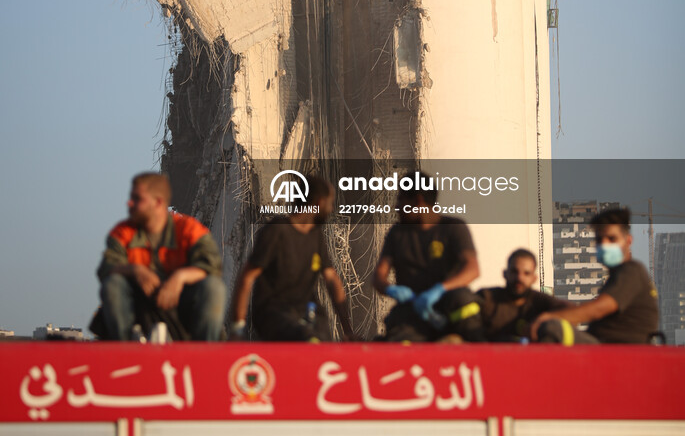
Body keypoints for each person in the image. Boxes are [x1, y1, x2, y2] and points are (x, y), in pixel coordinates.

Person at [97, 172, 227, 341]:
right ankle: (125, 349)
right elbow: (106, 267)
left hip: (182, 308)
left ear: (158, 202)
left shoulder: (189, 229)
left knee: (213, 287)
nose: (130, 203)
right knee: (113, 284)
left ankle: (206, 352)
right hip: (140, 306)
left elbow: (213, 267)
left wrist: (180, 277)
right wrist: (136, 270)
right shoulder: (123, 232)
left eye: (137, 199)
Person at [230, 176, 354, 341]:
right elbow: (247, 277)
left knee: (323, 339)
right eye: (330, 203)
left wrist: (348, 331)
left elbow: (331, 279)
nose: (331, 209)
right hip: (273, 312)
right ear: (318, 203)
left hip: (305, 311)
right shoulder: (277, 230)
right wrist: (237, 329)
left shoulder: (316, 236)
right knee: (306, 337)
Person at [373, 175, 482, 341]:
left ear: (418, 201)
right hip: (413, 309)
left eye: (401, 200)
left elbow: (472, 269)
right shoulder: (397, 233)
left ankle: (472, 348)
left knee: (465, 301)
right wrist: (391, 289)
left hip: (448, 305)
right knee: (398, 332)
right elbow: (379, 276)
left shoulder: (453, 228)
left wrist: (440, 289)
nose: (397, 207)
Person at [531, 206, 660, 344]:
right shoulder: (617, 276)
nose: (604, 244)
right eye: (599, 239)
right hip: (601, 344)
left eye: (612, 239)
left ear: (628, 241)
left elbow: (598, 309)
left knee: (553, 328)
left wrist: (549, 318)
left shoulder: (631, 271)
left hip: (616, 349)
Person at [478, 248, 566, 341]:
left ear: (534, 278)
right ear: (505, 274)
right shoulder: (487, 297)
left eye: (526, 273)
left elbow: (574, 312)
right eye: (514, 272)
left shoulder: (540, 301)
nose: (519, 278)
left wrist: (544, 319)